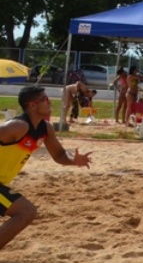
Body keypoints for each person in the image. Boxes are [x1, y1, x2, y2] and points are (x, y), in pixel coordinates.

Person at [0, 86, 92, 251]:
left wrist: (74, 161)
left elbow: (59, 155)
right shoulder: (18, 126)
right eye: (44, 99)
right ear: (32, 105)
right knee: (26, 212)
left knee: (25, 212)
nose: (49, 102)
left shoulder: (45, 128)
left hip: (2, 183)